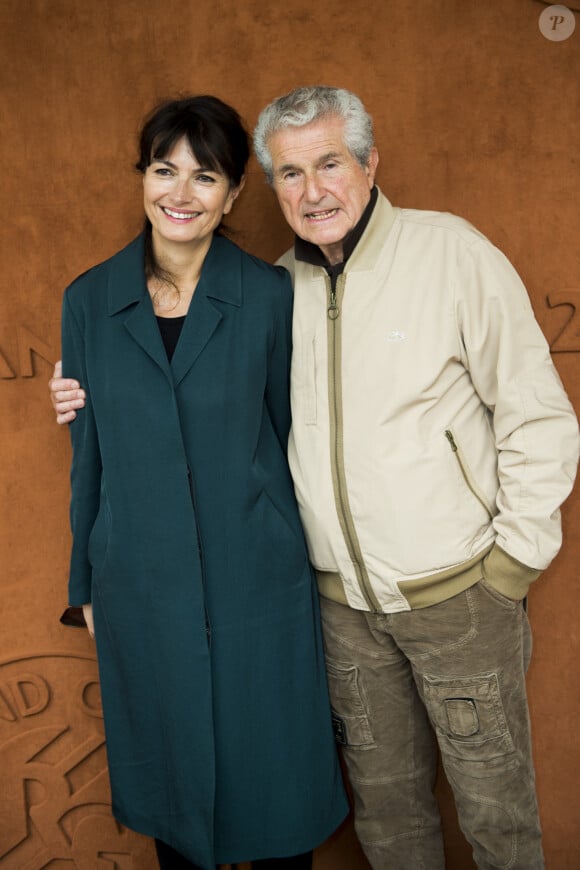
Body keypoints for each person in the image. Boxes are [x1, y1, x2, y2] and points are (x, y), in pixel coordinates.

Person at [50, 86, 580, 870]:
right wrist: (90, 401)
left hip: (405, 590)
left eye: (329, 164)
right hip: (292, 603)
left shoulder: (402, 263)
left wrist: (511, 563)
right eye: (291, 173)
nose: (312, 191)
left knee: (487, 812)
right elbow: (131, 442)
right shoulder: (176, 294)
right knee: (386, 813)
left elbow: (527, 412)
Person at [53, 94, 348, 870]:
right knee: (174, 792)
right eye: (164, 170)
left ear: (235, 193)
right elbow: (91, 455)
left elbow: (291, 438)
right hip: (138, 584)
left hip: (258, 579)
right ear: (142, 176)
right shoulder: (87, 301)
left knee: (278, 786)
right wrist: (85, 581)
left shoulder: (269, 296)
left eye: (205, 176)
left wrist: (297, 553)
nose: (180, 195)